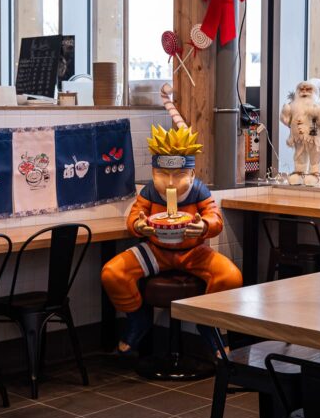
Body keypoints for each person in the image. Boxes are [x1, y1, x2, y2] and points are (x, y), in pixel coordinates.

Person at [101, 122, 242, 354]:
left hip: (193, 252)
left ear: (192, 174)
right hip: (156, 252)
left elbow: (214, 217)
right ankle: (138, 319)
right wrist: (138, 226)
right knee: (112, 273)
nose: (169, 182)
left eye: (179, 175)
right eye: (162, 174)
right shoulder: (150, 192)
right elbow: (135, 215)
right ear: (153, 173)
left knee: (231, 276)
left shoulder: (198, 191)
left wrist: (204, 226)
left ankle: (208, 323)